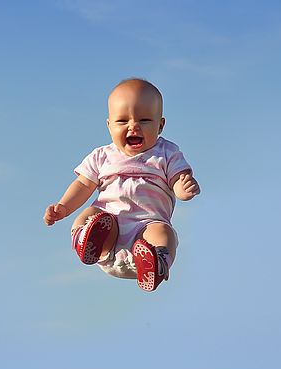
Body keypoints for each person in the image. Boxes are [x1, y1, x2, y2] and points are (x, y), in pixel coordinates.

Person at [43, 78, 200, 291]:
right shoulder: (102, 156)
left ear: (160, 125)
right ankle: (88, 241)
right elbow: (83, 185)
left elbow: (177, 180)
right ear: (109, 126)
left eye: (144, 120)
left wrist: (183, 190)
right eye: (122, 121)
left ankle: (157, 262)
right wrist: (63, 207)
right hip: (109, 227)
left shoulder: (166, 153)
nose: (133, 126)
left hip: (146, 229)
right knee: (91, 213)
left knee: (163, 232)